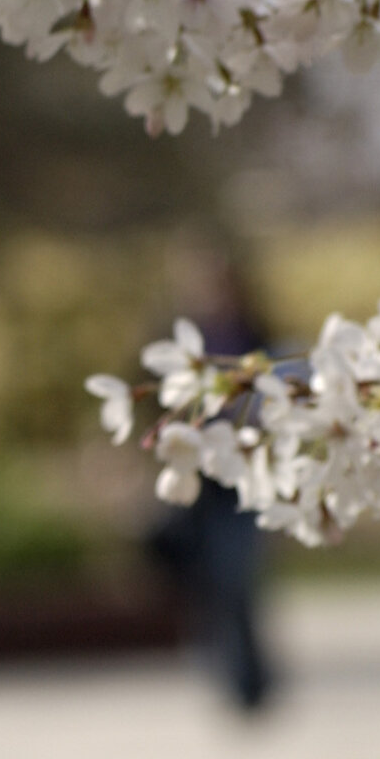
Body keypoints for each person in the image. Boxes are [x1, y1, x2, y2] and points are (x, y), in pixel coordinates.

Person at [144, 255, 279, 715]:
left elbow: (279, 394)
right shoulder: (179, 341)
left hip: (243, 479)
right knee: (210, 583)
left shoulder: (257, 337)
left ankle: (251, 680)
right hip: (197, 487)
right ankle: (229, 670)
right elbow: (158, 406)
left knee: (237, 577)